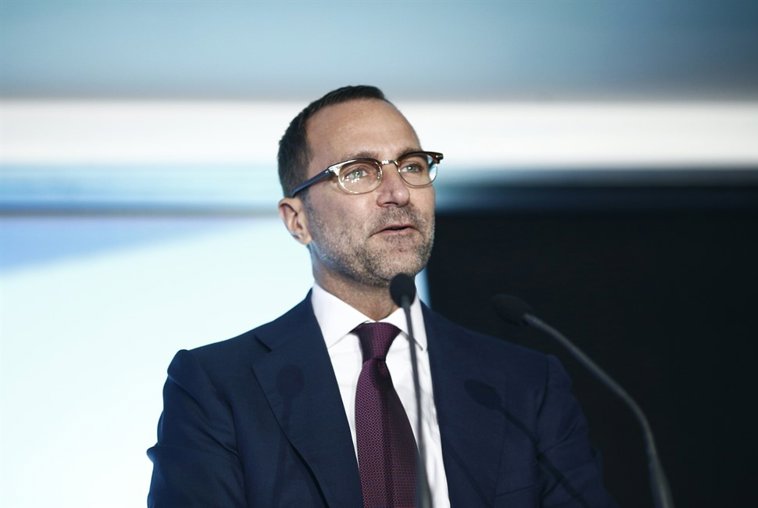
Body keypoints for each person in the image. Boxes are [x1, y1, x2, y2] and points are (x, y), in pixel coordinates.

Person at [147, 85, 616, 507]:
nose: (398, 192)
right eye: (358, 172)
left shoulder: (526, 385)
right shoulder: (217, 387)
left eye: (412, 166)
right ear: (298, 220)